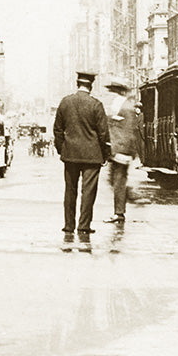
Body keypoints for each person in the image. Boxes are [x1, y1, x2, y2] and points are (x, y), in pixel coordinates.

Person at [53, 70, 111, 238]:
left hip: (70, 154)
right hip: (92, 156)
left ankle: (68, 225)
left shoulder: (65, 102)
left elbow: (57, 129)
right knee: (88, 192)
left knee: (70, 191)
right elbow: (103, 133)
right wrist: (105, 154)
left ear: (77, 84)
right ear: (91, 85)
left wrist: (61, 149)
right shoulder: (96, 105)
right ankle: (84, 226)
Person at [103, 80, 143, 225]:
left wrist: (118, 150)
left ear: (118, 91)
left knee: (118, 180)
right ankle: (126, 201)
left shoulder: (123, 105)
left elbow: (124, 130)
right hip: (119, 149)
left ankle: (119, 212)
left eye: (113, 90)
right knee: (115, 180)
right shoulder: (123, 105)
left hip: (120, 149)